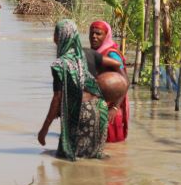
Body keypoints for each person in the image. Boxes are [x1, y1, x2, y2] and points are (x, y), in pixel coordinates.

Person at [38, 19, 109, 160]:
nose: (54, 38)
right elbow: (117, 65)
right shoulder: (84, 55)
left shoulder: (60, 64)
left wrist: (45, 128)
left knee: (68, 159)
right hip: (100, 109)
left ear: (62, 36)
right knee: (94, 160)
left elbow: (57, 98)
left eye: (55, 33)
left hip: (80, 113)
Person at [89, 20, 129, 143]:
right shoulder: (95, 54)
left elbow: (125, 82)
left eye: (98, 34)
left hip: (111, 110)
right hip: (98, 106)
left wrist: (115, 108)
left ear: (106, 36)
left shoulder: (112, 55)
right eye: (92, 33)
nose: (94, 37)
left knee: (112, 148)